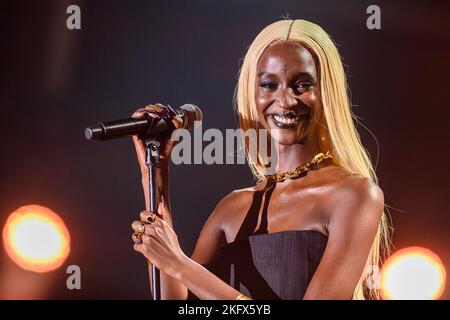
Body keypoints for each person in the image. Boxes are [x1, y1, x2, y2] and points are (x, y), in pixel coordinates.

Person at [130, 19, 390, 300]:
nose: (285, 101)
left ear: (327, 92)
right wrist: (154, 175)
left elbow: (184, 272)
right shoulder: (232, 208)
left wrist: (180, 264)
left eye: (302, 85)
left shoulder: (354, 195)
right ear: (252, 94)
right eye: (269, 84)